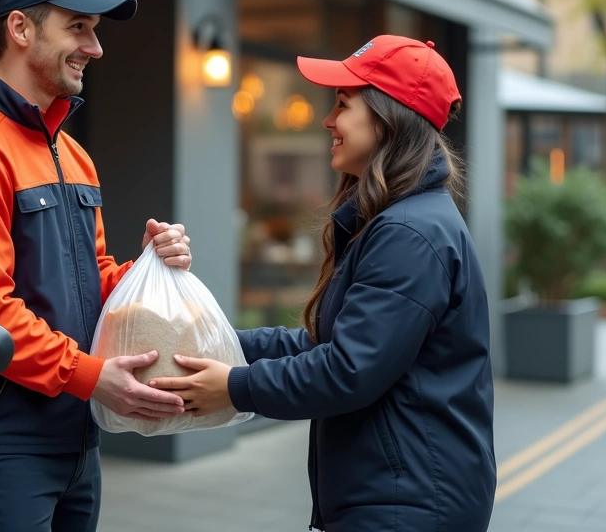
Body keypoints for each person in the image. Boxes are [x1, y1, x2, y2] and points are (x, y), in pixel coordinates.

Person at [151, 35, 496, 531]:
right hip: (402, 490)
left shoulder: (408, 232)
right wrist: (210, 345)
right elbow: (325, 345)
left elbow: (349, 369)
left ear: (389, 116)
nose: (327, 120)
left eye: (342, 104)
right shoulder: (400, 221)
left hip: (408, 502)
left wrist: (234, 387)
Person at [0, 0, 190, 531]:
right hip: (1, 448)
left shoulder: (71, 152)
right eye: (78, 27)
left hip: (75, 441)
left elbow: (87, 283)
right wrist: (92, 378)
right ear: (19, 28)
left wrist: (150, 268)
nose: (96, 47)